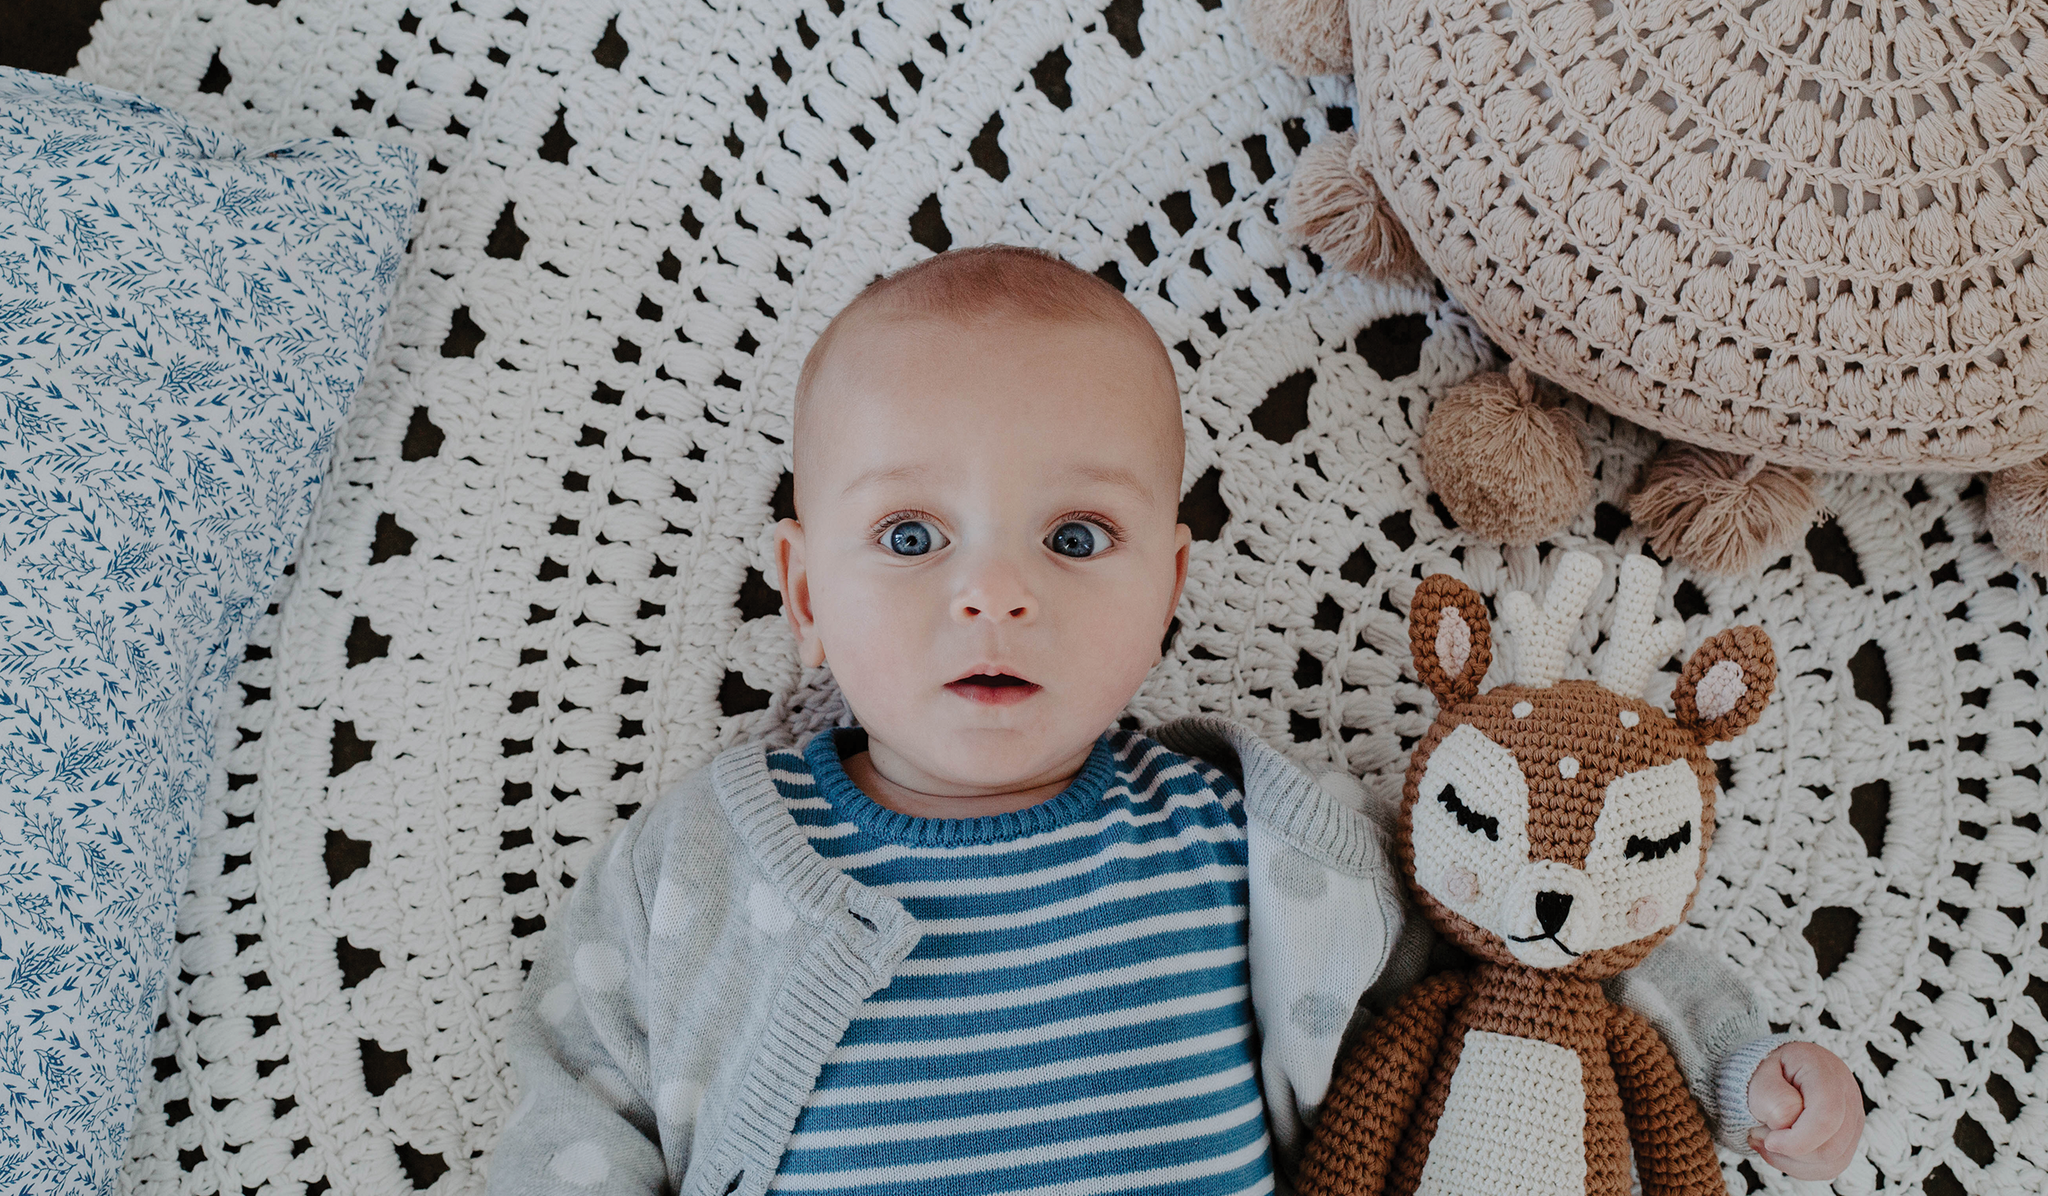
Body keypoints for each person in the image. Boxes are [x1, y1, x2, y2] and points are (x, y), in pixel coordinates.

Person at [489, 246, 1862, 1195]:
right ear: (803, 589)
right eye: (911, 534)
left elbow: (1535, 921)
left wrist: (1742, 1061)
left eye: (1075, 537)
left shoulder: (1254, 837)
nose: (994, 596)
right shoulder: (699, 863)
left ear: (1167, 596)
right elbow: (571, 1112)